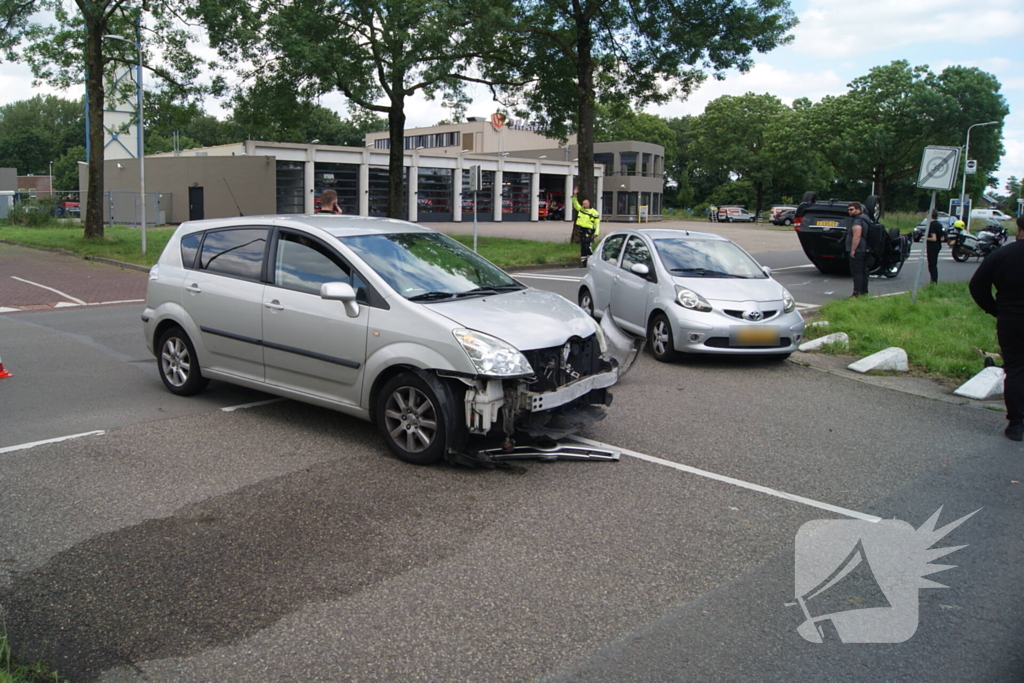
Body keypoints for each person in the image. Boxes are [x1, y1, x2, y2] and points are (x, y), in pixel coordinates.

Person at [969, 214, 1024, 442]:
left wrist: (995, 309)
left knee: (1015, 369)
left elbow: (977, 285)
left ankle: (1016, 425)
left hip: (1012, 318)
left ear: (1019, 229)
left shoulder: (1002, 254)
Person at [846, 202, 871, 297]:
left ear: (859, 210)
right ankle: (864, 293)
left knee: (857, 273)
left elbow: (857, 235)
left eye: (852, 209)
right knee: (864, 272)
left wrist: (853, 250)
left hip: (858, 250)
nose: (849, 212)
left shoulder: (857, 221)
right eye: (848, 210)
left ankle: (856, 294)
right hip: (865, 249)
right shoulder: (866, 219)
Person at [572, 187, 601, 267]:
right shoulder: (581, 209)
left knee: (587, 245)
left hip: (589, 230)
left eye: (585, 204)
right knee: (582, 246)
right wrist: (574, 194)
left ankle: (594, 257)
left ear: (588, 204)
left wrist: (596, 232)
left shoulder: (594, 212)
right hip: (582, 229)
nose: (583, 205)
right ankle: (583, 262)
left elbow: (597, 223)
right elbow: (575, 203)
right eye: (583, 204)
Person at [926, 210, 943, 283]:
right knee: (934, 264)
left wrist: (925, 238)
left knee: (931, 264)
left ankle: (933, 281)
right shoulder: (939, 224)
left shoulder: (932, 225)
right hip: (938, 245)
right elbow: (942, 237)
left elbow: (934, 238)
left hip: (932, 246)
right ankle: (933, 280)